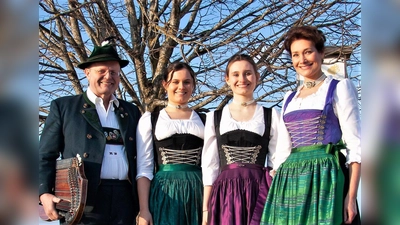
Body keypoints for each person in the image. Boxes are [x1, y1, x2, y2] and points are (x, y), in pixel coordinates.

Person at [260, 25, 361, 225]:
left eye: (308, 52)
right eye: (296, 54)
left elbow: (355, 145)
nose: (302, 60)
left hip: (326, 177)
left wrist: (351, 197)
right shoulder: (289, 98)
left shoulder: (339, 87)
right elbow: (282, 152)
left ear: (321, 53)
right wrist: (277, 192)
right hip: (290, 180)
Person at [39, 43, 141, 225]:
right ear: (87, 72)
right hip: (82, 201)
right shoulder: (64, 107)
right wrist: (44, 192)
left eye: (114, 72)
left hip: (125, 200)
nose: (108, 76)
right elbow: (45, 155)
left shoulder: (131, 111)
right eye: (101, 71)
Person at [201, 54, 279, 225]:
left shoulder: (271, 115)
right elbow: (210, 165)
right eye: (236, 74)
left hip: (259, 191)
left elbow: (277, 161)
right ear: (227, 79)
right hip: (224, 194)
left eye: (248, 73)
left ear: (257, 77)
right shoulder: (214, 117)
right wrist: (206, 208)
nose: (242, 79)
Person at [136, 61, 206, 225]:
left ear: (193, 86)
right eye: (175, 82)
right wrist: (144, 210)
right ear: (165, 84)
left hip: (197, 193)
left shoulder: (206, 119)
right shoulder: (151, 119)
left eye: (187, 82)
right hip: (164, 193)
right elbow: (144, 169)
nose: (181, 87)